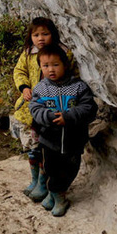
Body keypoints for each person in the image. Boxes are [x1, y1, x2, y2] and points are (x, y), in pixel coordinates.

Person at [29, 44, 98, 216]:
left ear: (65, 65)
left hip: (73, 139)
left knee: (70, 169)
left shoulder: (78, 87)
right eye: (45, 66)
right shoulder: (41, 88)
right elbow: (35, 109)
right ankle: (57, 196)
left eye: (55, 65)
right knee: (51, 169)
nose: (50, 69)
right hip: (49, 140)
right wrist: (49, 116)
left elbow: (89, 107)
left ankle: (57, 193)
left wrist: (68, 116)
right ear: (40, 67)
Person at [11, 17, 75, 202]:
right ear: (30, 36)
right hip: (30, 108)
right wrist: (24, 88)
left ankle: (43, 182)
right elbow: (19, 71)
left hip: (51, 107)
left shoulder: (62, 53)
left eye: (45, 34)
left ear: (53, 34)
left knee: (45, 148)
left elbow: (71, 75)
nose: (40, 39)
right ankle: (35, 181)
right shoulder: (28, 53)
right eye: (36, 34)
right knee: (33, 147)